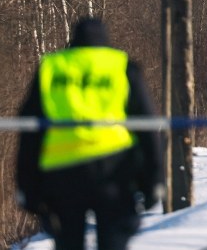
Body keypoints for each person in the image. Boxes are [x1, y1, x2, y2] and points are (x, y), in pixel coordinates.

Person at [16, 17, 164, 250]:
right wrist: (153, 178)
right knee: (114, 240)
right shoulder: (121, 66)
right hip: (113, 171)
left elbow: (29, 132)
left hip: (62, 173)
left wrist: (27, 185)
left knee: (68, 243)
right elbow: (146, 128)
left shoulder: (52, 68)